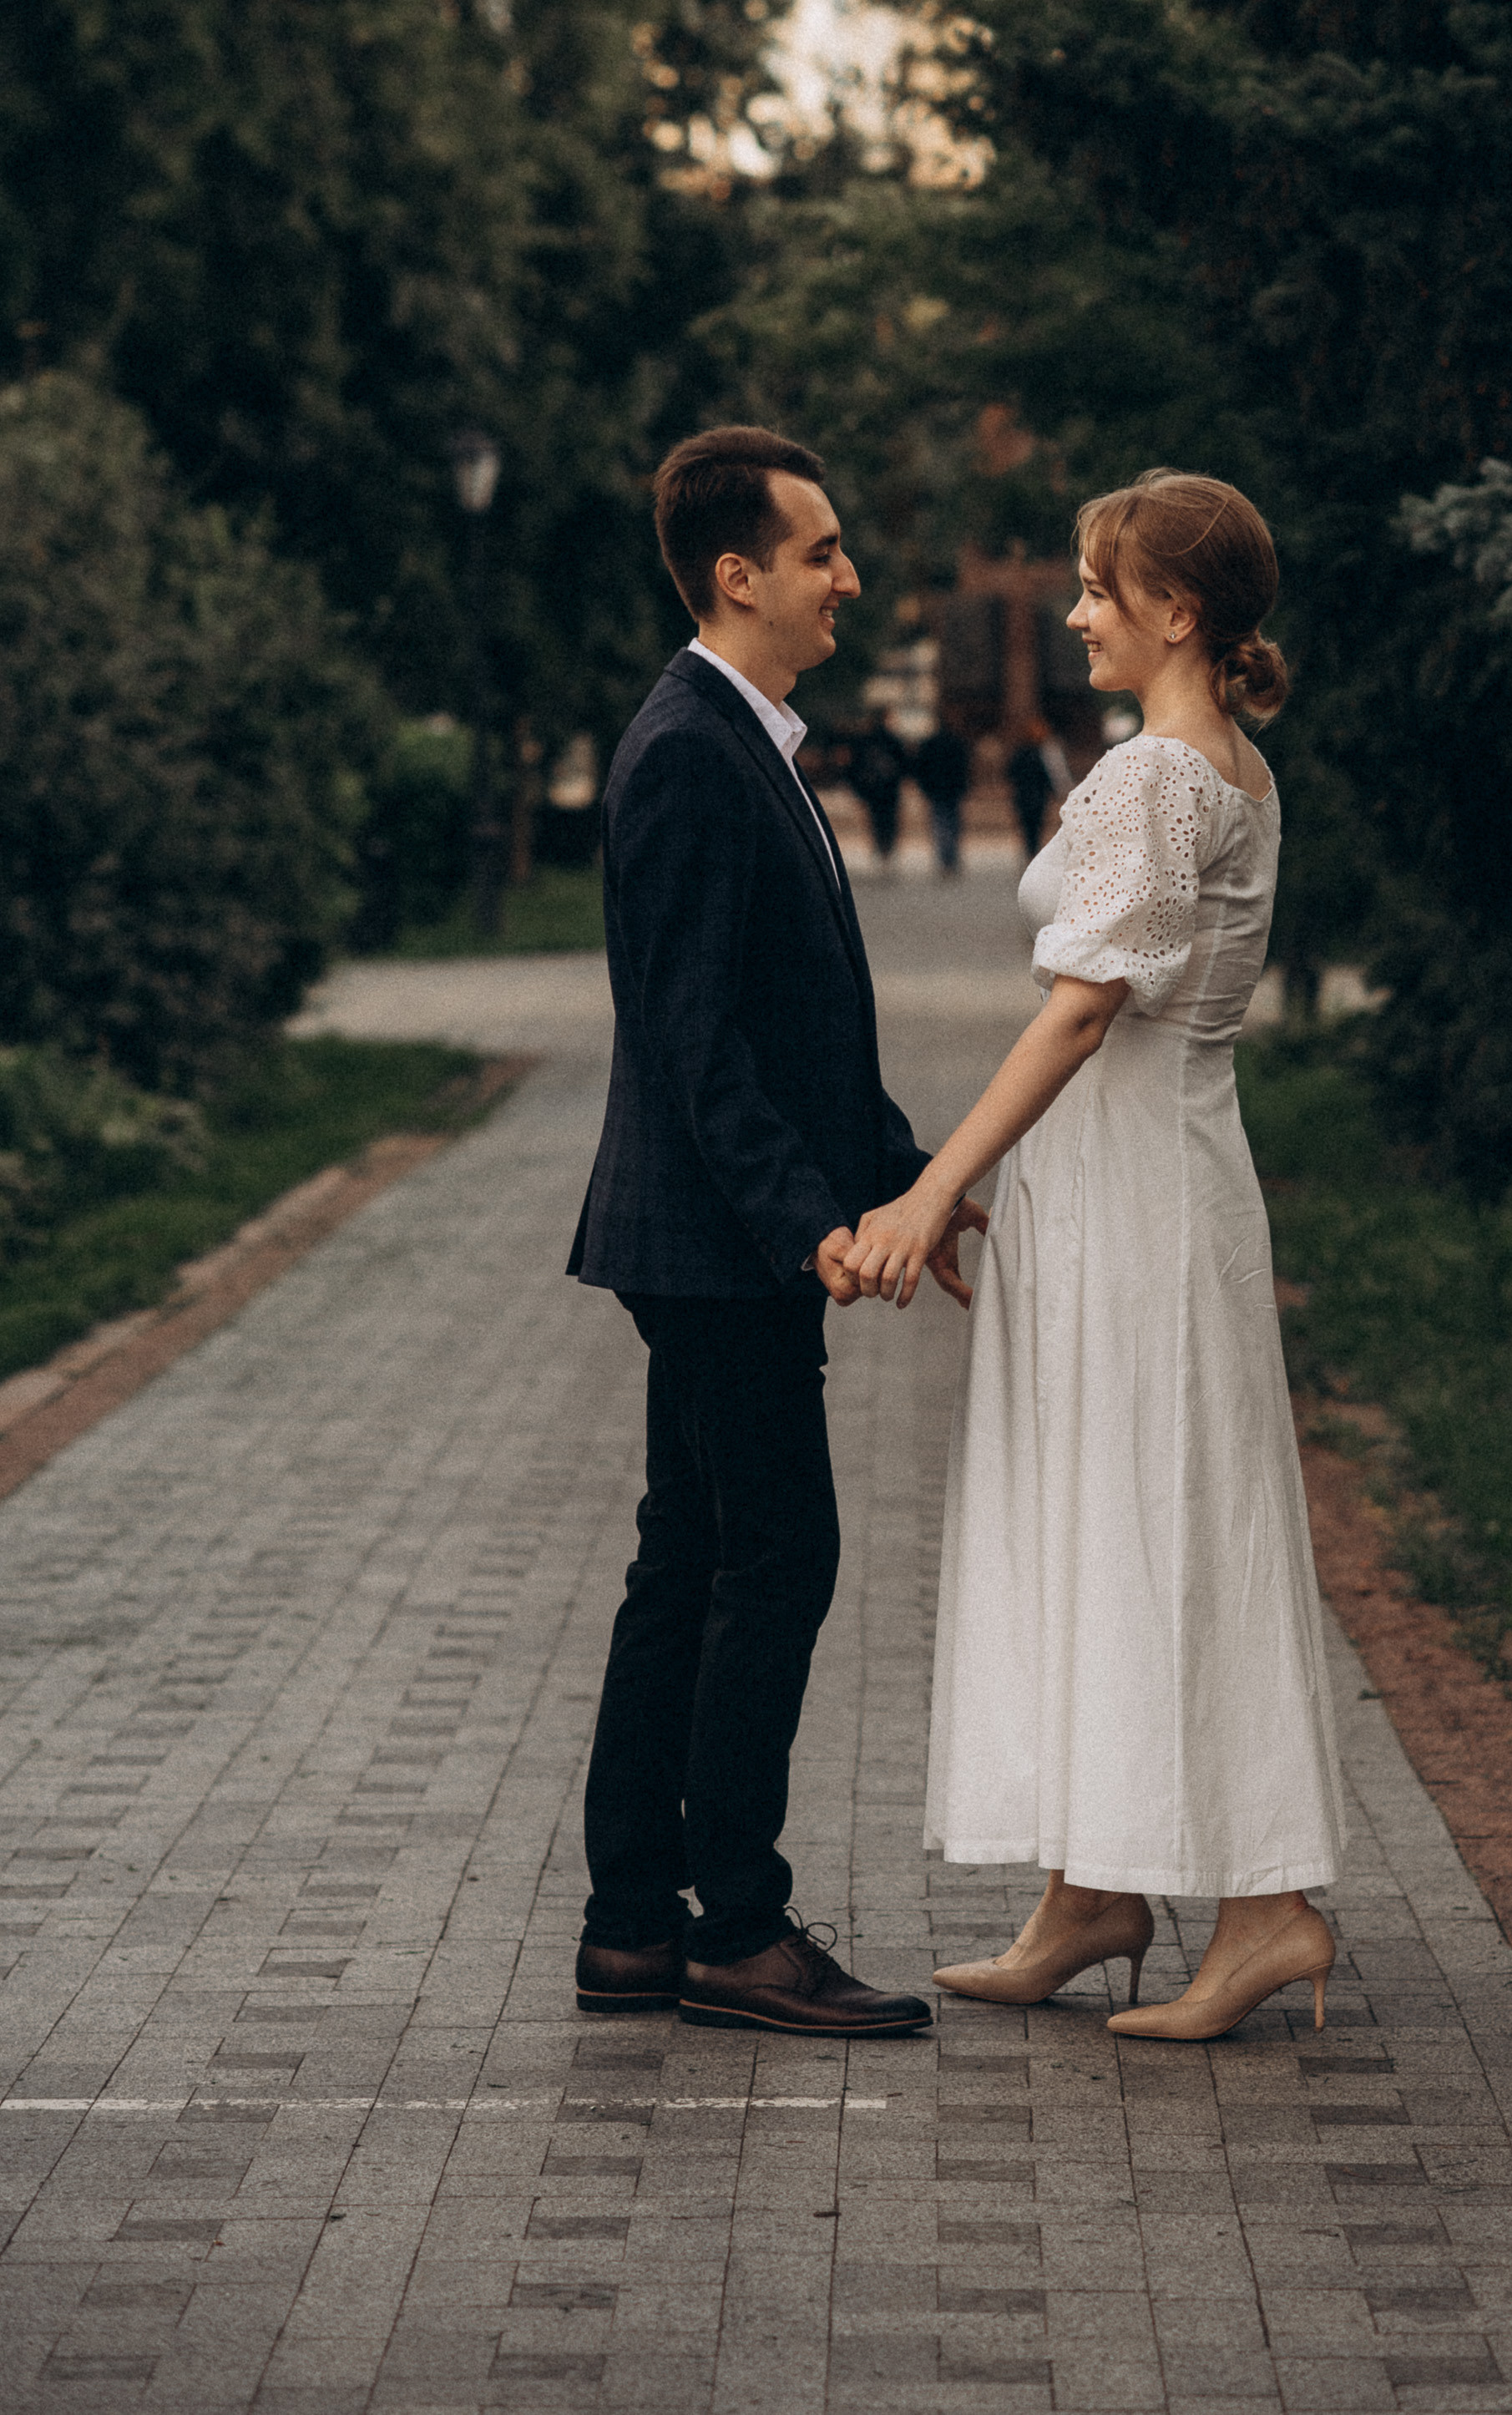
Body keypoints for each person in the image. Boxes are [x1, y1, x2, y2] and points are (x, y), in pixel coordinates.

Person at [843, 470, 1344, 2042]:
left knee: (1145, 1515)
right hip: (1156, 1178)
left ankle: (1264, 1910)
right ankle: (1093, 1890)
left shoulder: (1154, 783)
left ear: (1174, 611)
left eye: (1095, 588)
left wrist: (931, 1187)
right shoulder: (1229, 770)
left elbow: (1078, 1013)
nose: (1069, 614)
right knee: (1109, 1512)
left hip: (1132, 1193)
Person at [567, 423, 985, 2038]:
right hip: (713, 1245)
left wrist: (903, 1184)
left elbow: (801, 1030)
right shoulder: (687, 746)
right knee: (775, 1560)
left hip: (712, 1238)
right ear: (737, 574)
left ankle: (628, 1927)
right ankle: (736, 1927)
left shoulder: (742, 737)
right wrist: (811, 1228)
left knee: (687, 1564)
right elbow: (694, 1042)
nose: (847, 578)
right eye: (822, 552)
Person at [909, 723, 972, 876]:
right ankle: (951, 857)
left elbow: (921, 766)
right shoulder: (956, 743)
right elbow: (963, 766)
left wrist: (925, 787)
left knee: (940, 824)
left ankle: (945, 858)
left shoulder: (930, 744)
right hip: (952, 790)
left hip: (936, 790)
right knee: (953, 823)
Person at [1004, 719, 1071, 861]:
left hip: (1024, 796)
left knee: (1029, 826)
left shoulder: (1021, 753)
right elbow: (1047, 776)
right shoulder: (1040, 754)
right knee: (1035, 826)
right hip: (1036, 796)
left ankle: (1030, 852)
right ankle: (1032, 852)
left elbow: (1010, 773)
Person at [848, 711, 908, 872]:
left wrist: (858, 789)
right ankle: (887, 849)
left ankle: (880, 848)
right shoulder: (892, 740)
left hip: (872, 790)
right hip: (889, 789)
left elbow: (856, 766)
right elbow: (903, 764)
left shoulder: (865, 741)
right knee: (889, 821)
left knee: (876, 820)